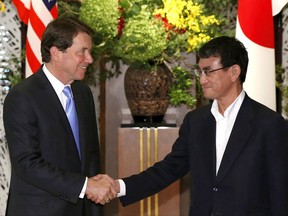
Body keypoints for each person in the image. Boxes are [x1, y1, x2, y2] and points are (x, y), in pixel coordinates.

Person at [107, 36, 288, 215]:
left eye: (208, 71)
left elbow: (280, 193)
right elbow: (169, 168)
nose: (202, 80)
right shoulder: (195, 122)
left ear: (234, 72)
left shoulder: (269, 124)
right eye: (200, 72)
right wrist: (119, 186)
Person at [3, 16, 117, 216]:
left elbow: (90, 160)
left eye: (89, 52)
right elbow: (27, 163)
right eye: (82, 52)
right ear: (56, 53)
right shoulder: (22, 97)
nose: (89, 59)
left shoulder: (83, 94)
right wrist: (85, 186)